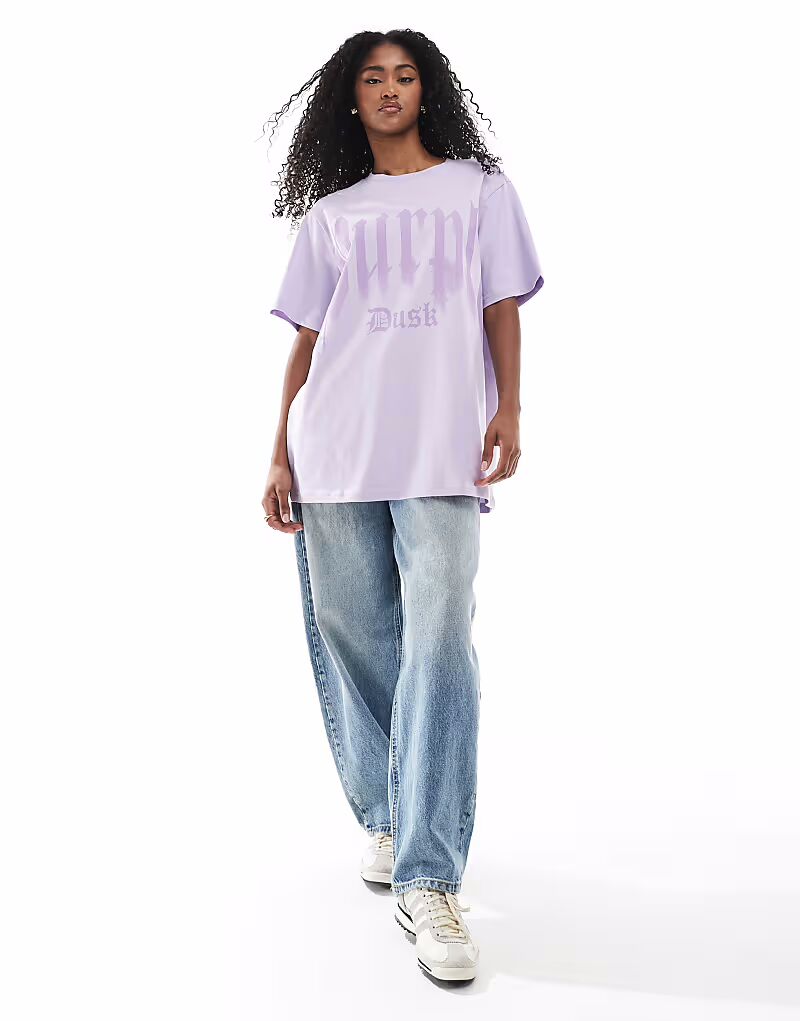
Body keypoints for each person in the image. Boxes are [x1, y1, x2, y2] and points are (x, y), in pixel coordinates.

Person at [261, 29, 543, 983]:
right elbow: (307, 343)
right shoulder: (332, 215)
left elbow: (501, 305)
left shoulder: (478, 191)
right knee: (350, 628)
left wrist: (509, 405)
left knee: (440, 636)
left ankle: (429, 876)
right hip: (335, 446)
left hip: (439, 448)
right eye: (373, 78)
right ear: (350, 99)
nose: (390, 89)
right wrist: (278, 450)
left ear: (430, 90)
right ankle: (391, 811)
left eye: (406, 75)